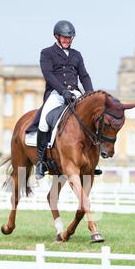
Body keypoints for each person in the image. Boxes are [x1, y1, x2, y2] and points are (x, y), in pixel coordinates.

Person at [35, 20, 94, 179]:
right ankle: (40, 161)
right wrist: (62, 91)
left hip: (74, 92)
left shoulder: (77, 54)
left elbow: (84, 75)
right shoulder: (47, 53)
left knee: (90, 119)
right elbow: (48, 75)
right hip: (56, 93)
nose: (68, 40)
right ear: (57, 37)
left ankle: (90, 159)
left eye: (70, 38)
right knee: (43, 121)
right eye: (65, 38)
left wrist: (90, 95)